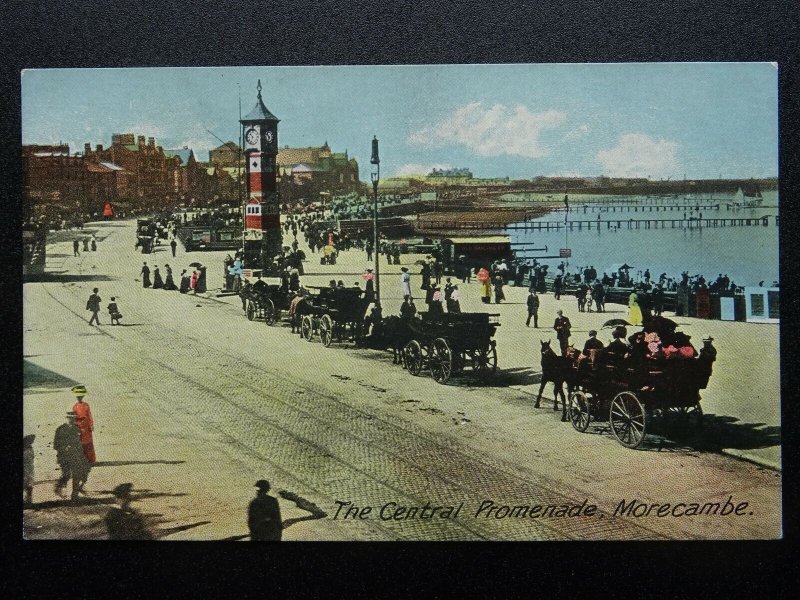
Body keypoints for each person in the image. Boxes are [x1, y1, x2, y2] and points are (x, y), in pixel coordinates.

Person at [53, 412, 90, 500]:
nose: (72, 420)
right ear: (66, 418)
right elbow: (55, 445)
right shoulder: (60, 429)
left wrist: (81, 454)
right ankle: (58, 487)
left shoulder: (77, 429)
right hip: (64, 457)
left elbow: (79, 443)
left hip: (75, 456)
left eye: (74, 418)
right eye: (70, 418)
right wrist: (65, 447)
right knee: (66, 475)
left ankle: (74, 495)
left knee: (77, 474)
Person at [71, 385, 96, 463]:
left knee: (88, 443)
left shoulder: (86, 405)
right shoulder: (74, 406)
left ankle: (90, 459)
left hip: (86, 427)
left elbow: (89, 415)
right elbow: (73, 417)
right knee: (80, 443)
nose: (79, 398)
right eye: (78, 397)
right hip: (78, 427)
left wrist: (91, 425)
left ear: (83, 396)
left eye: (80, 397)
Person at [23, 434, 35, 505]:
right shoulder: (24, 448)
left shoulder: (30, 448)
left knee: (30, 484)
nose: (32, 442)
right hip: (25, 467)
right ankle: (26, 500)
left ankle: (29, 500)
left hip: (30, 468)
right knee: (25, 484)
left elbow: (32, 457)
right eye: (30, 440)